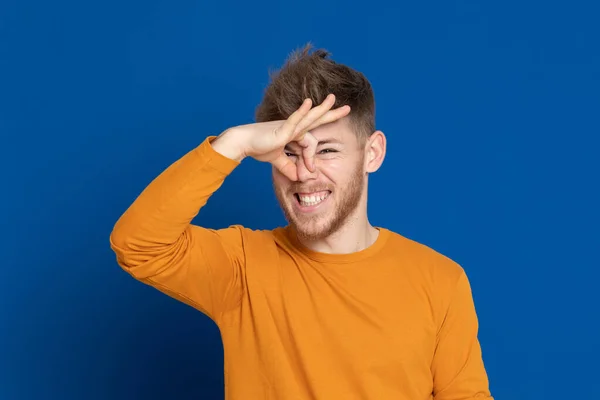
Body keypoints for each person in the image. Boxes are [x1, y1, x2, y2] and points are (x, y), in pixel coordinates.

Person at [110, 44, 493, 400]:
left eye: (326, 150)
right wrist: (234, 143)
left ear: (372, 154)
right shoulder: (242, 266)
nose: (304, 172)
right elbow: (137, 244)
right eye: (289, 152)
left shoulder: (441, 281)